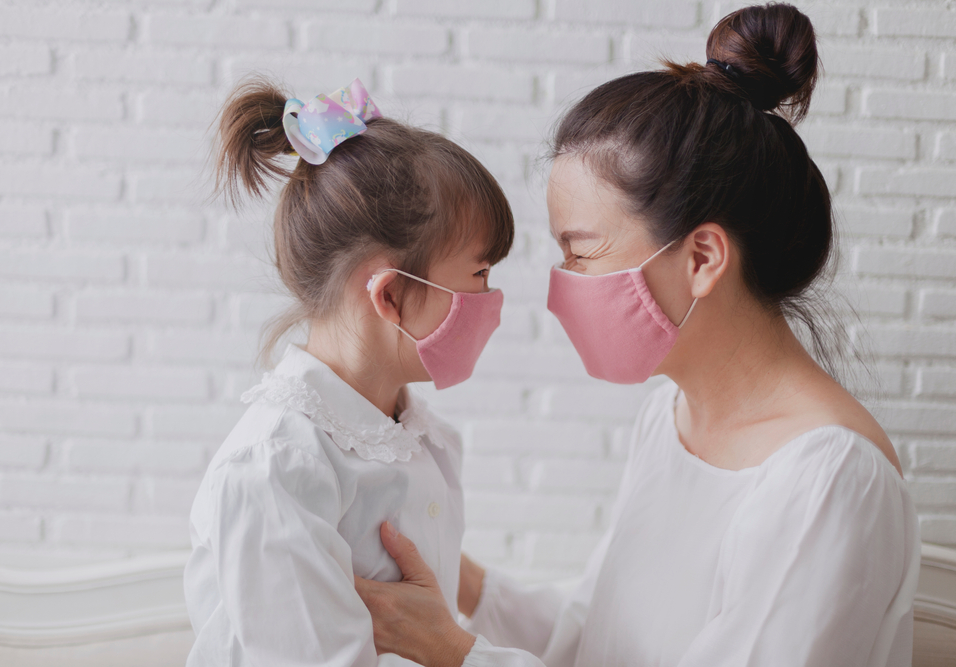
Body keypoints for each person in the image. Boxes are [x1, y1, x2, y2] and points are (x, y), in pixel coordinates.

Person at [354, 5, 921, 666]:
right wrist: (457, 577)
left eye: (582, 253)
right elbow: (593, 635)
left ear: (703, 259)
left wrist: (456, 652)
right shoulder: (669, 417)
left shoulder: (830, 482)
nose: (564, 283)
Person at [183, 77, 514, 666]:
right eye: (480, 274)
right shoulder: (277, 472)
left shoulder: (422, 439)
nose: (492, 299)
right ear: (388, 297)